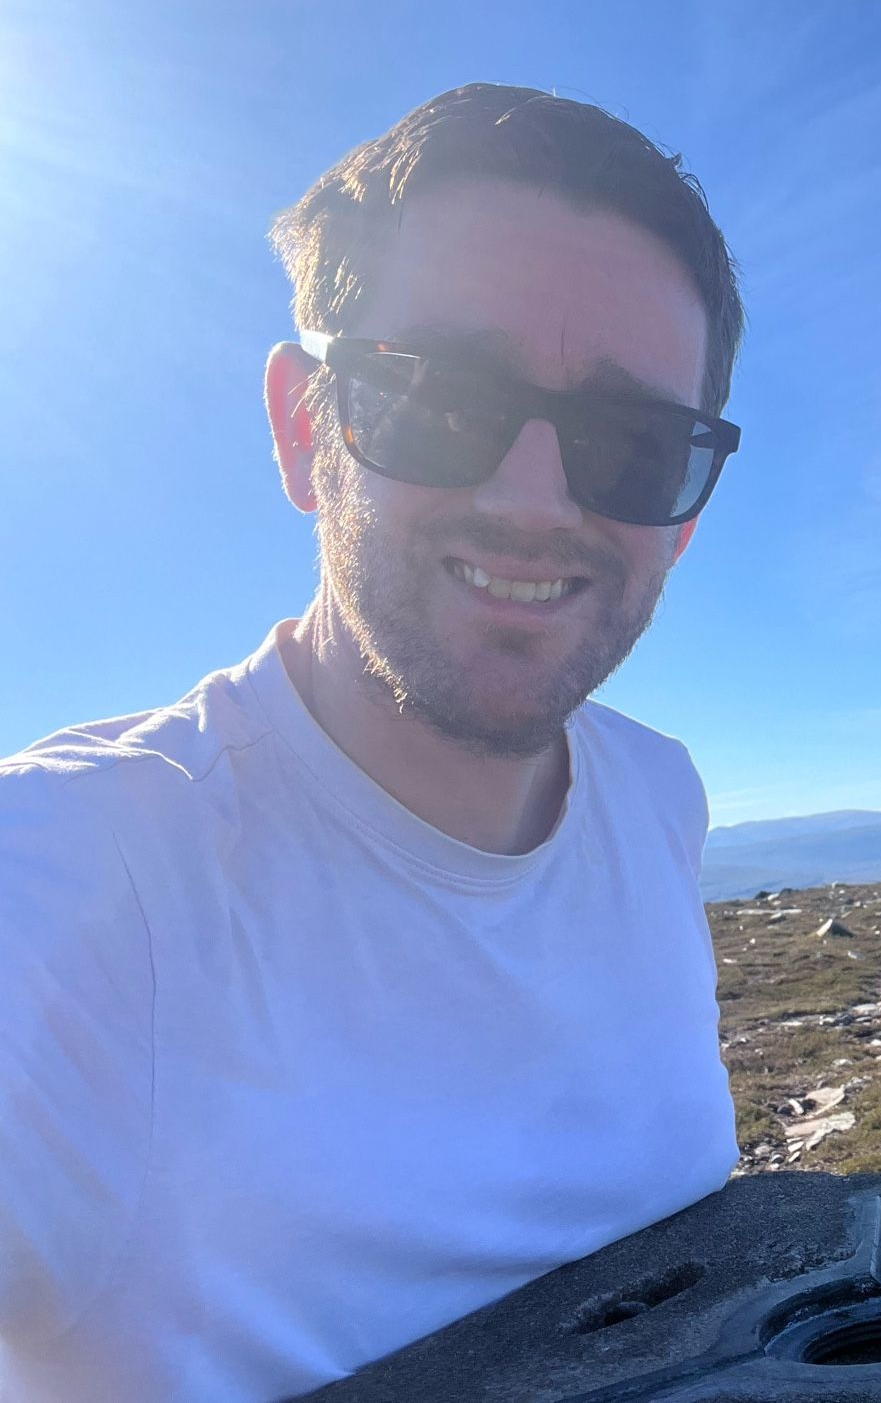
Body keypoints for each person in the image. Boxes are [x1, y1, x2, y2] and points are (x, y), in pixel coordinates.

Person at [0, 83, 748, 1401]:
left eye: (632, 444)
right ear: (306, 430)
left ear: (684, 518)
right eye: (441, 399)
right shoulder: (68, 880)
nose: (530, 498)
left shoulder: (655, 793)